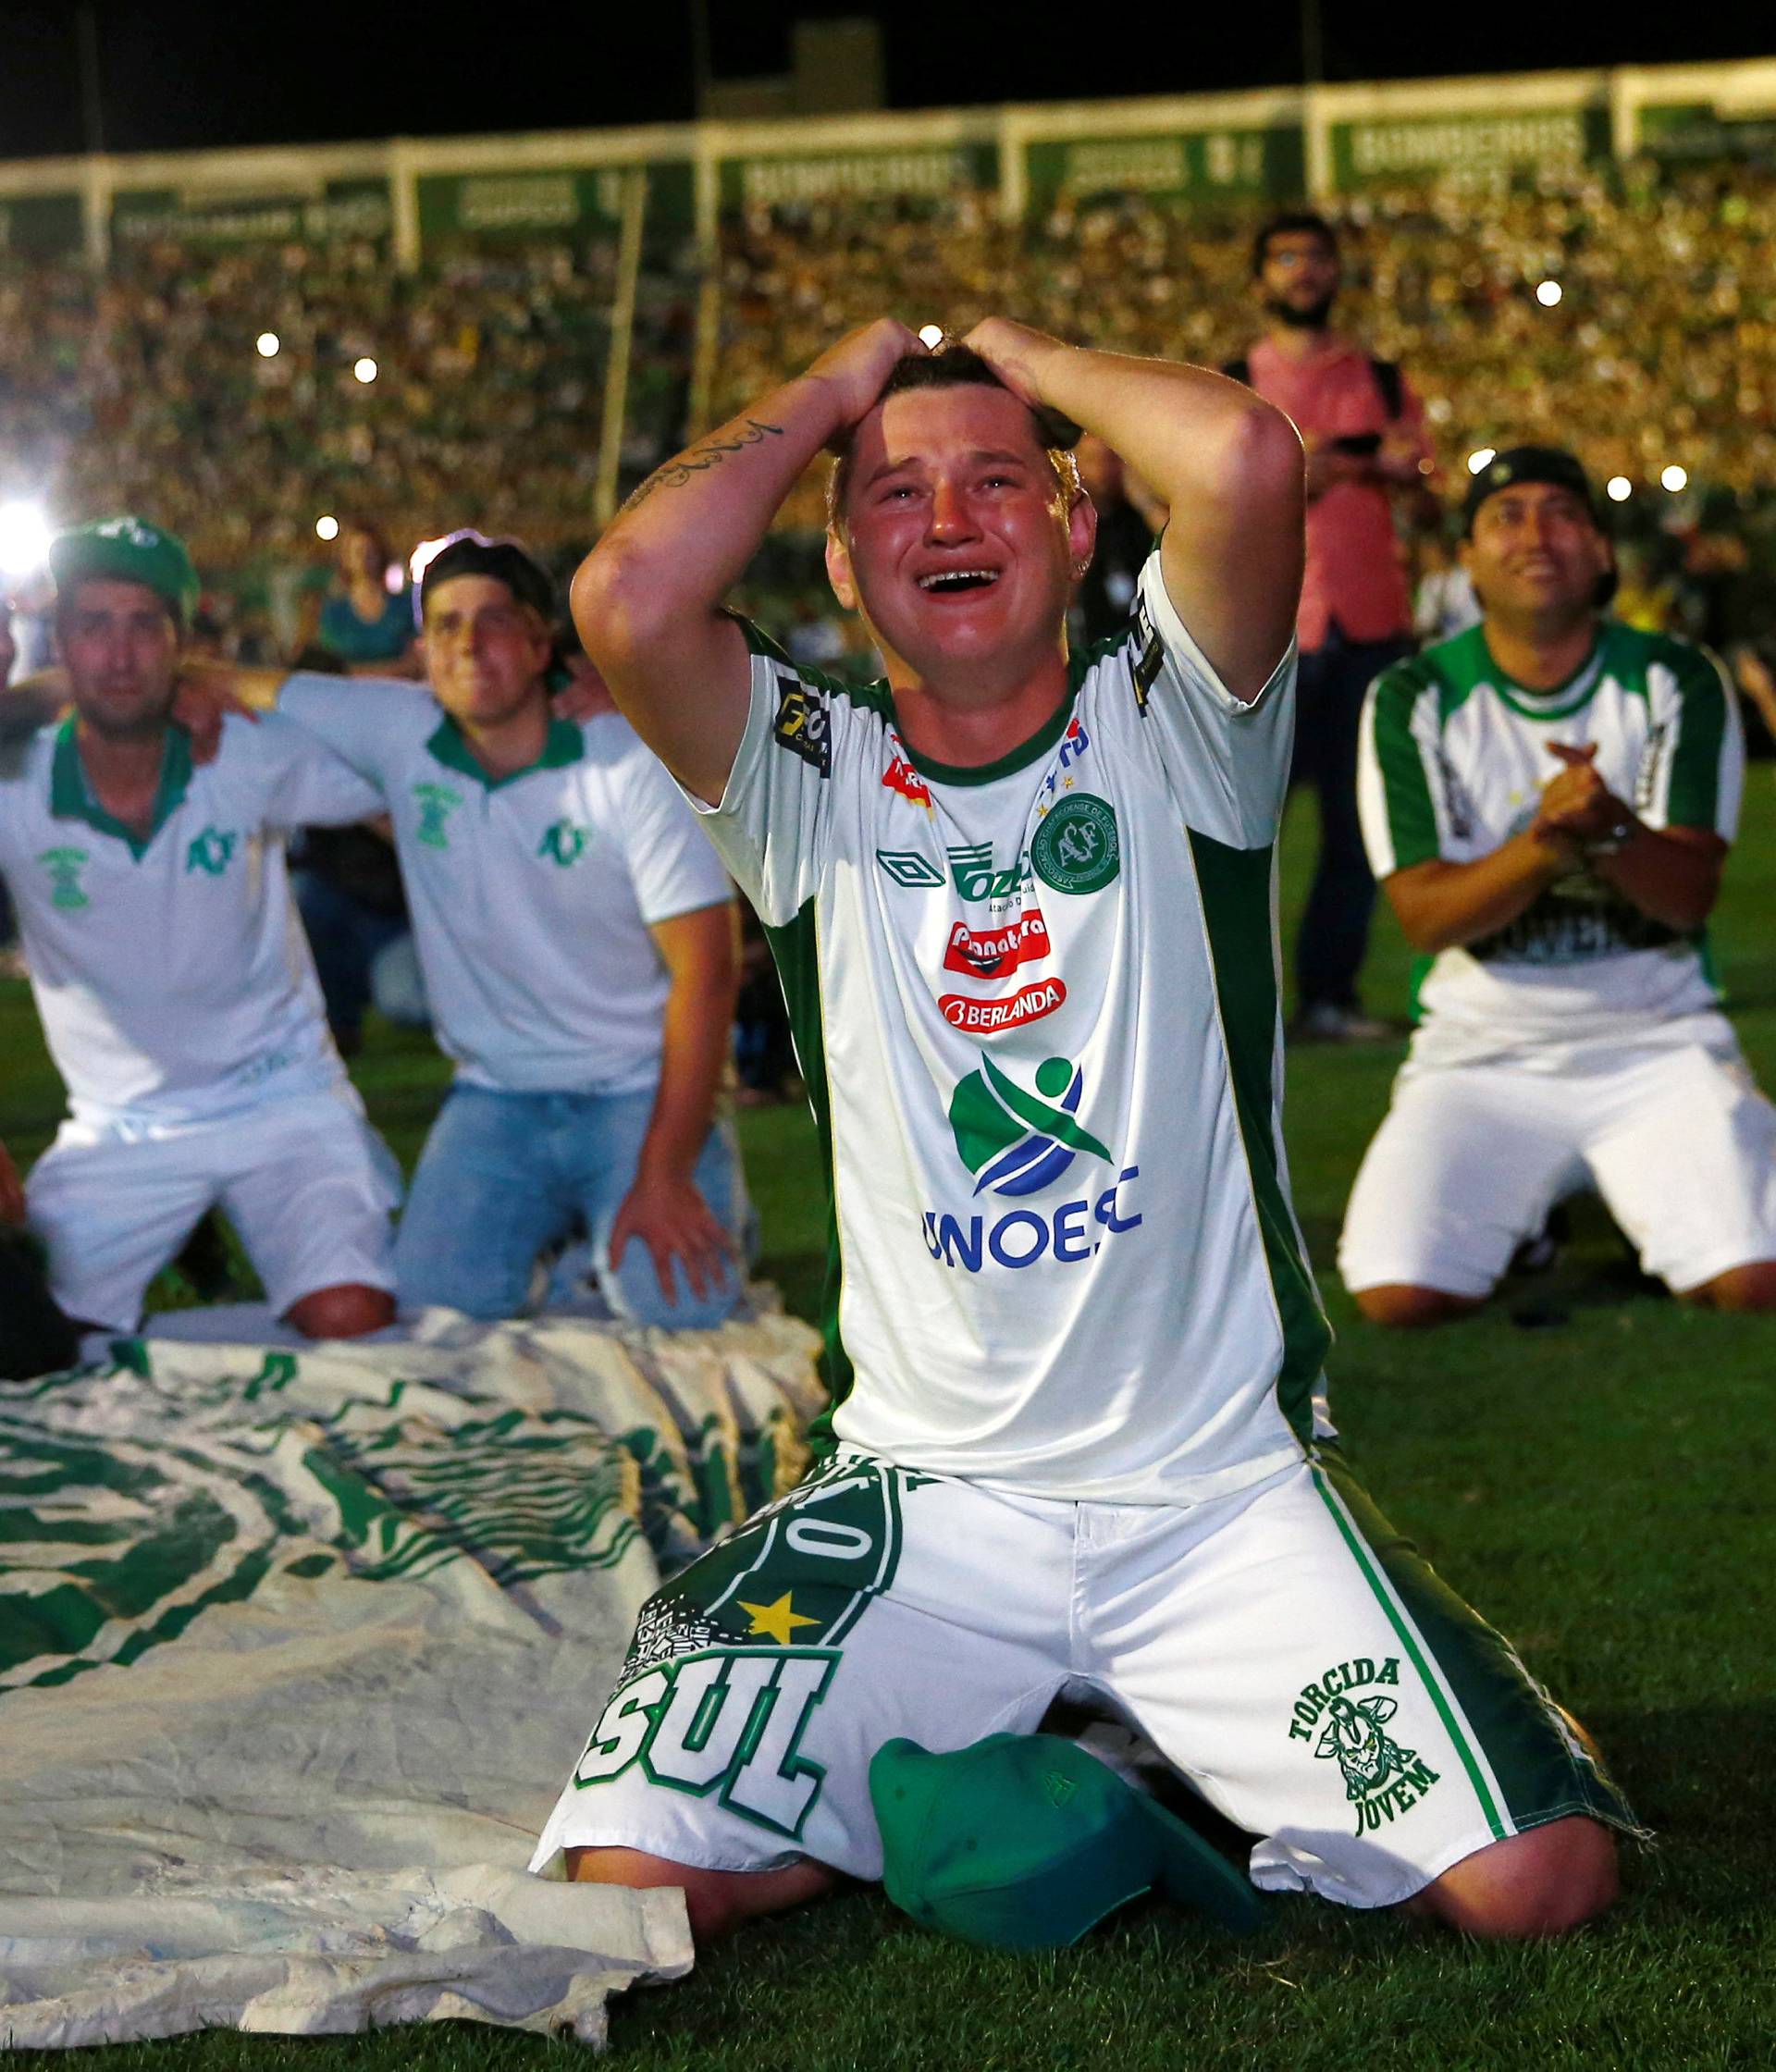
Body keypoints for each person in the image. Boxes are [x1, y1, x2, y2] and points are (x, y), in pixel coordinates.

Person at [530, 326, 1635, 1946]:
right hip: (925, 1494)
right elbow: (627, 596)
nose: (951, 521)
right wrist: (852, 377)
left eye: (999, 482)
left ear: (1077, 524)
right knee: (636, 1878)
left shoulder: (1178, 725)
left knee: (1539, 1882)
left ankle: (1111, 1740)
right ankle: (1058, 1751)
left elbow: (1253, 461)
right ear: (842, 560)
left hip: (1213, 1490)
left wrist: (1005, 343)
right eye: (896, 499)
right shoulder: (806, 773)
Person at [190, 531, 746, 1328]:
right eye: (447, 625)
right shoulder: (399, 727)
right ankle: (563, 1243)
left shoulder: (625, 760)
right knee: (432, 1312)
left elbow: (708, 971)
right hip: (495, 1098)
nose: (469, 643)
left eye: (494, 620)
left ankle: (698, 1191)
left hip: (633, 1088)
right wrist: (156, 689)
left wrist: (666, 1174)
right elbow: (236, 682)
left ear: (537, 640)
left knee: (686, 1309)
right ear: (420, 650)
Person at [1342, 447, 1776, 1325]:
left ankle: (1639, 1195)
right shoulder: (1411, 695)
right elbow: (1426, 917)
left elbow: (1685, 897)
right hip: (1484, 1049)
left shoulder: (1677, 678)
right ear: (1465, 559)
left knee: (1753, 1280)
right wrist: (1550, 842)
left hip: (1655, 1034)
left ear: (1605, 553)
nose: (1536, 534)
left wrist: (1605, 829)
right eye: (1506, 515)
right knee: (1398, 1293)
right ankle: (1538, 1213)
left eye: (1564, 513)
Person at [0, 518, 400, 1340]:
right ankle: (173, 1222)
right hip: (122, 1123)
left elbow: (417, 772)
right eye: (93, 627)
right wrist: (39, 694)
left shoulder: (247, 750)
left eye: (146, 625)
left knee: (352, 1316)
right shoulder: (16, 782)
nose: (119, 654)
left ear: (185, 642)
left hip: (281, 1093)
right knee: (33, 1338)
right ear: (60, 644)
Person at [1228, 213, 1434, 1042]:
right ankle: (1235, 1003)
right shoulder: (1233, 379)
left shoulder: (1380, 377)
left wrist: (1385, 465)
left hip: (1371, 621)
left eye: (1317, 258)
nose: (1304, 272)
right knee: (1240, 828)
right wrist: (1303, 471)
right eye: (1286, 258)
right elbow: (1188, 493)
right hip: (1267, 627)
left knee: (1358, 828)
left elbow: (1428, 481)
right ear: (1260, 279)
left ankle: (1327, 998)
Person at [316, 522, 418, 673]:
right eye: (357, 551)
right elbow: (328, 665)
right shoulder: (334, 613)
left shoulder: (404, 606)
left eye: (370, 551)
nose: (364, 558)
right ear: (346, 558)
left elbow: (416, 660)